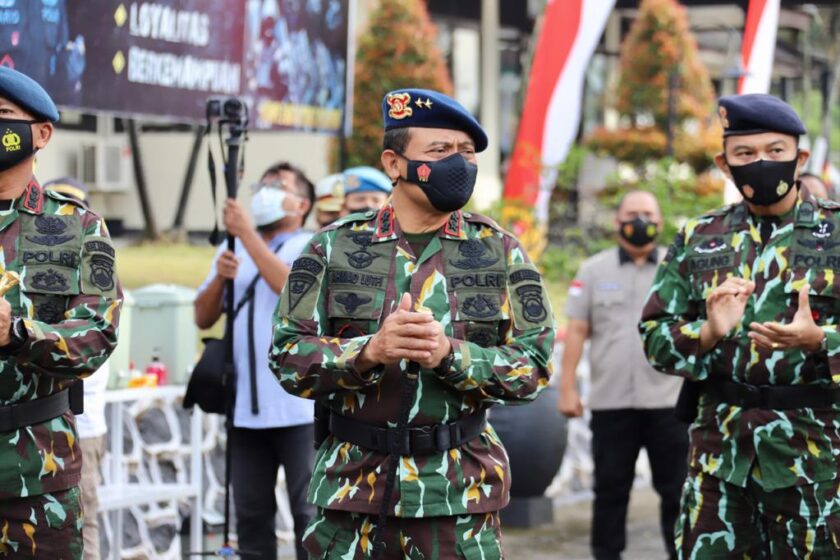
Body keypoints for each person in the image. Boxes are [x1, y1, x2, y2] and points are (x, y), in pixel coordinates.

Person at [270, 88, 556, 558]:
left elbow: (535, 366)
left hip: (458, 497)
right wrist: (368, 352)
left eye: (466, 152)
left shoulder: (499, 251)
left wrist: (451, 355)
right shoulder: (333, 248)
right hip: (351, 495)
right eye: (440, 151)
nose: (458, 164)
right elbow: (286, 357)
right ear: (394, 163)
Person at [639, 94, 840, 558]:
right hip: (719, 460)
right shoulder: (700, 238)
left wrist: (820, 341)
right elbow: (654, 335)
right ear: (725, 165)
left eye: (775, 151)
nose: (761, 164)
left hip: (816, 459)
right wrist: (706, 333)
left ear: (800, 158)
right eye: (745, 155)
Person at [0, 67, 121, 558]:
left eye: (2, 116)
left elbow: (98, 333)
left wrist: (17, 333)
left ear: (41, 133)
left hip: (36, 473)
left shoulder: (78, 227)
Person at [194, 162, 317, 560]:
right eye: (262, 184)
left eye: (277, 185)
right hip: (245, 407)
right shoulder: (231, 249)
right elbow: (202, 316)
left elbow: (289, 291)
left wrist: (245, 233)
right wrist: (220, 278)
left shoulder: (310, 245)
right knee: (249, 515)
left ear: (302, 204)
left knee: (308, 513)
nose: (265, 190)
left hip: (298, 408)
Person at [558, 190, 686, 560]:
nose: (640, 220)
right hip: (611, 403)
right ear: (617, 221)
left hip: (669, 403)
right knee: (610, 491)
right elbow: (577, 332)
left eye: (648, 213)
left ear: (660, 223)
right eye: (633, 213)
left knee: (677, 492)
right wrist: (566, 389)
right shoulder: (593, 271)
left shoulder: (675, 271)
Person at [44, 177, 110, 560]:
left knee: (81, 523)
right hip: (40, 426)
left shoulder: (92, 269)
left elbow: (90, 344)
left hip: (79, 426)